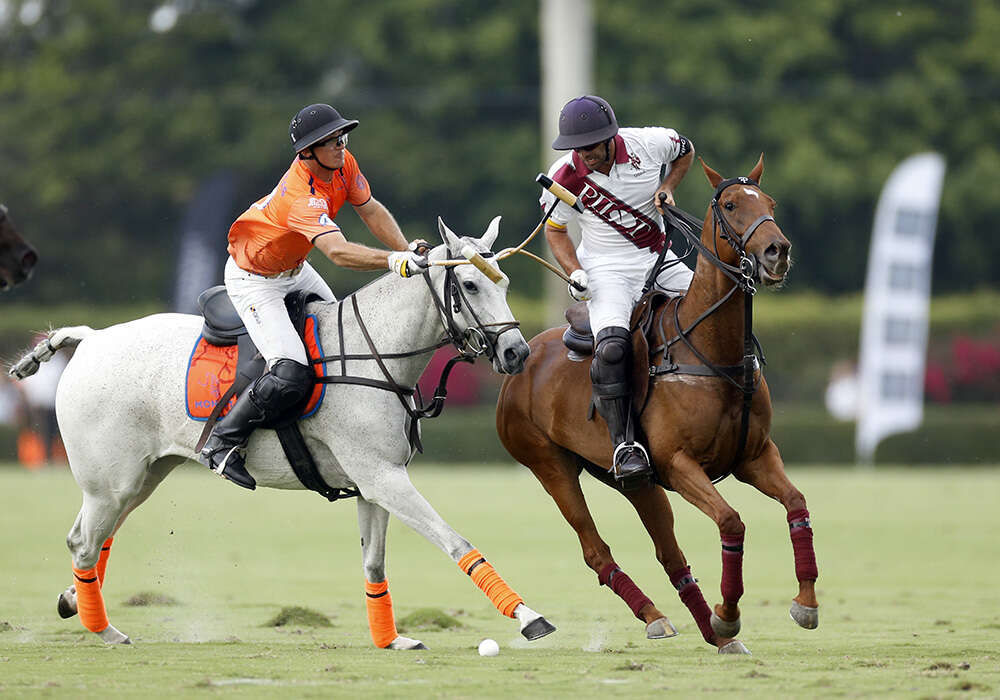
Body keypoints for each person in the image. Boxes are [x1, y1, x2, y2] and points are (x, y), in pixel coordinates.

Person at [199, 103, 429, 490]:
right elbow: (338, 253)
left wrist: (406, 249)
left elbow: (370, 210)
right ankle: (222, 441)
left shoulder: (344, 164)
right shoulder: (299, 195)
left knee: (344, 338)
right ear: (307, 152)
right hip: (255, 279)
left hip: (295, 268)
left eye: (342, 137)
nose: (341, 145)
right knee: (290, 370)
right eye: (331, 140)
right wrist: (393, 261)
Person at [540, 95, 695, 489]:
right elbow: (555, 231)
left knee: (717, 309)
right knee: (611, 347)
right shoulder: (564, 175)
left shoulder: (650, 143)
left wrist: (668, 186)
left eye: (591, 147)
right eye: (578, 148)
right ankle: (625, 445)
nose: (585, 155)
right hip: (607, 269)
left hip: (659, 256)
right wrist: (575, 271)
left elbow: (686, 150)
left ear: (611, 138)